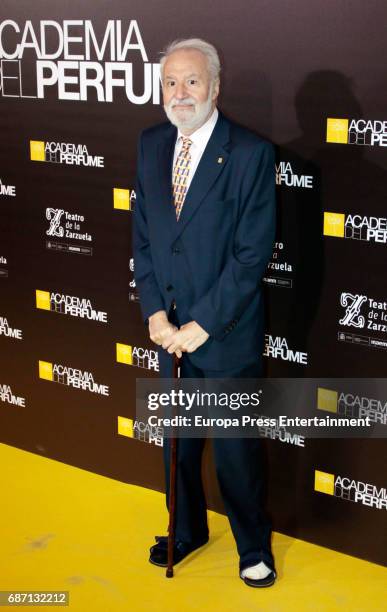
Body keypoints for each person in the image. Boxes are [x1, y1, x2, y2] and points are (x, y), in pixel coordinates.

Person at [133, 38, 277, 588]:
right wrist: (155, 314)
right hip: (167, 332)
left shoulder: (249, 154)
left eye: (192, 80)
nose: (180, 93)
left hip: (223, 335)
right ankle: (186, 530)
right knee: (176, 446)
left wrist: (202, 325)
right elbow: (144, 238)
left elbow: (251, 255)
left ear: (216, 86)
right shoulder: (149, 145)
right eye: (170, 81)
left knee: (236, 454)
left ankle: (252, 547)